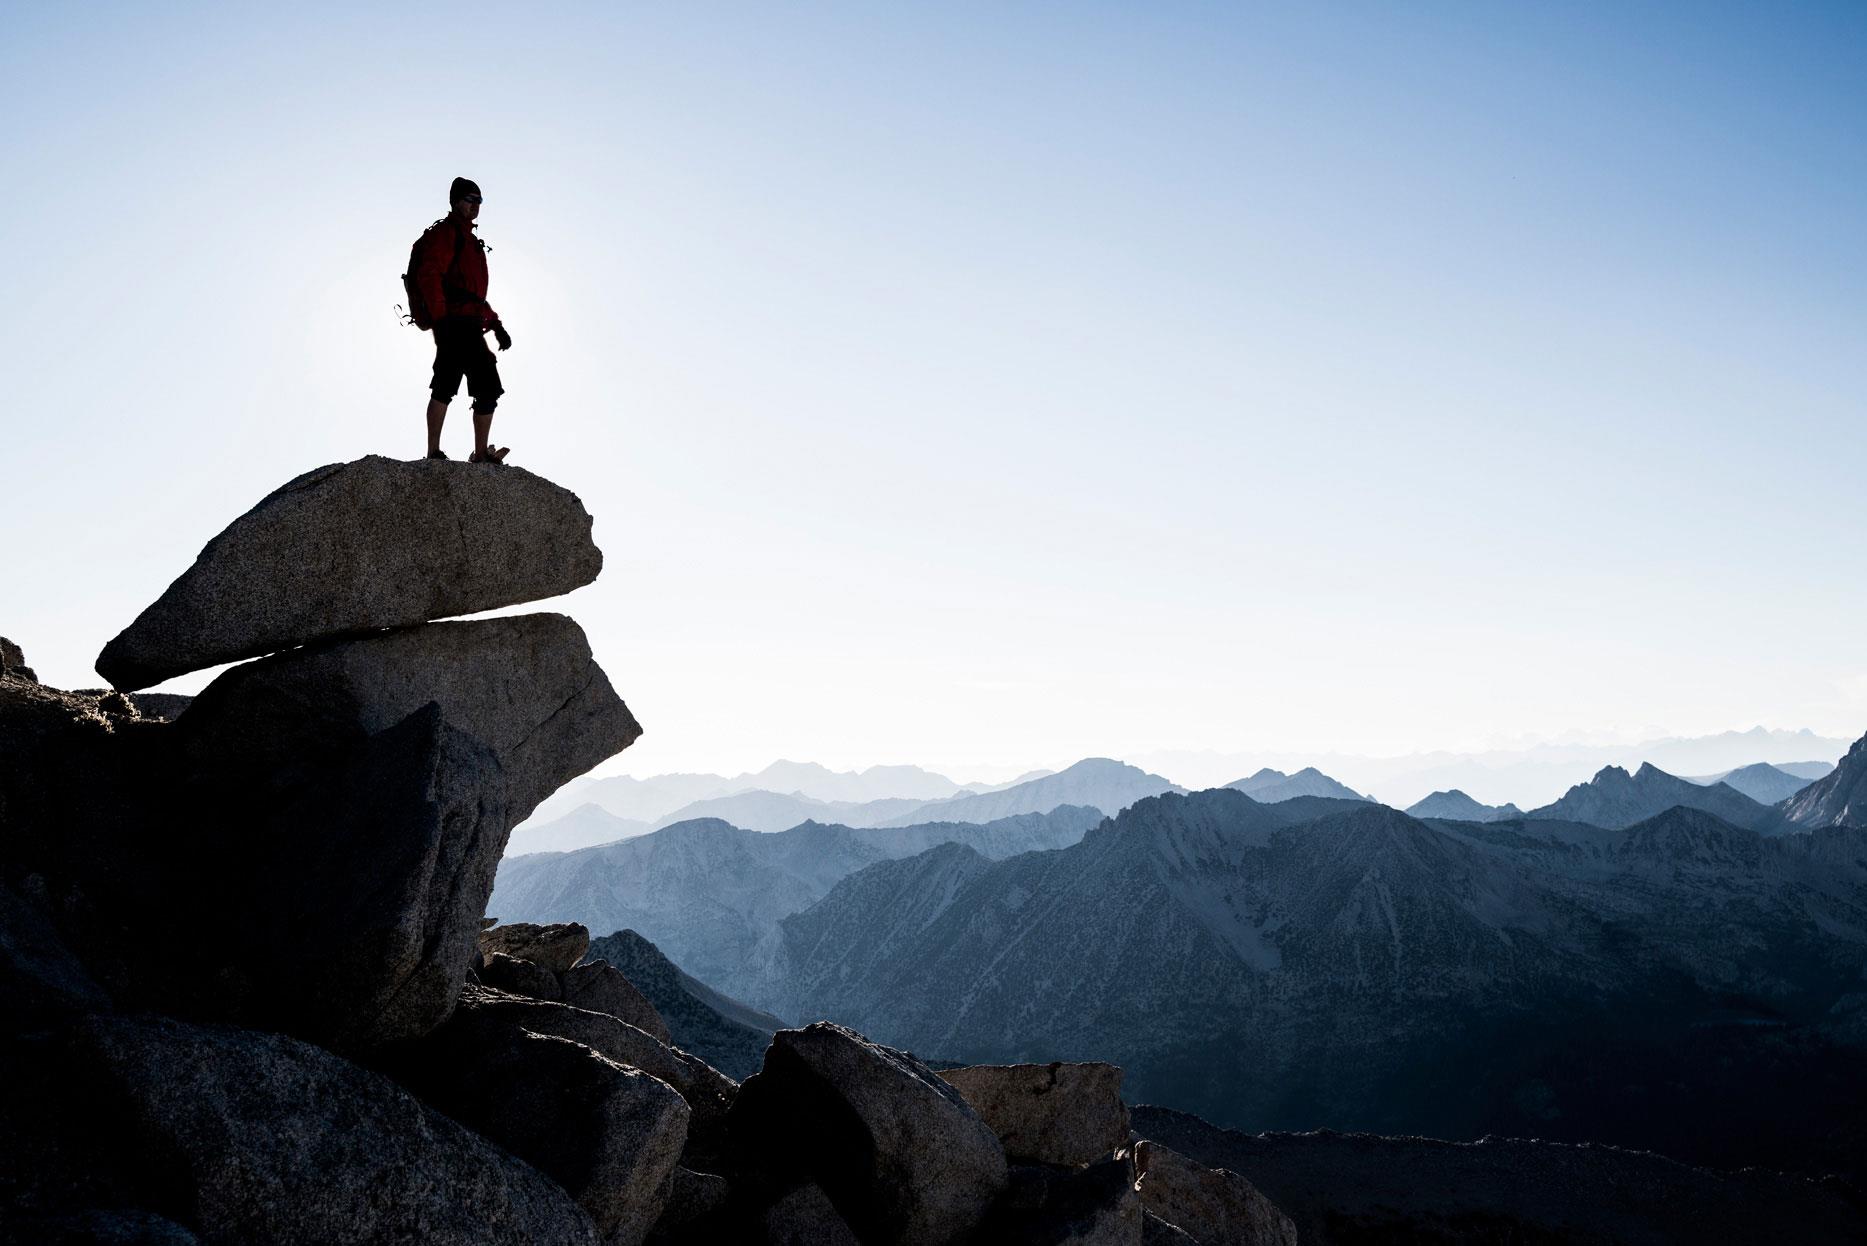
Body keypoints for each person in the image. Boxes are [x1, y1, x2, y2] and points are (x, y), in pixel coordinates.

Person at [416, 176, 513, 462]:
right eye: (470, 199)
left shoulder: (471, 242)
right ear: (455, 201)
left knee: (486, 388)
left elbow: (474, 294)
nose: (476, 206)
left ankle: (479, 453)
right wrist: (440, 318)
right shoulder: (447, 234)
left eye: (479, 200)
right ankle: (434, 452)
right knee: (446, 386)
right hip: (452, 322)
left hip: (469, 324)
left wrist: (496, 324)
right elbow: (429, 274)